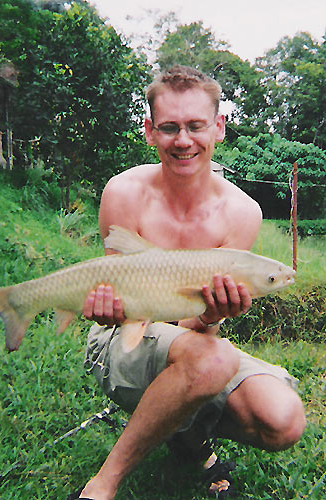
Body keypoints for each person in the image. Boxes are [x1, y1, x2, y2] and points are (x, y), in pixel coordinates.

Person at [73, 65, 306, 500]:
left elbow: (198, 331)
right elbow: (116, 307)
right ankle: (103, 483)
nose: (183, 141)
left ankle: (184, 435)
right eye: (170, 127)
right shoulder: (122, 192)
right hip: (122, 334)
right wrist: (104, 306)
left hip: (196, 342)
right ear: (149, 130)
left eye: (196, 126)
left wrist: (212, 318)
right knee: (211, 361)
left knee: (284, 418)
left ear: (218, 127)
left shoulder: (243, 213)